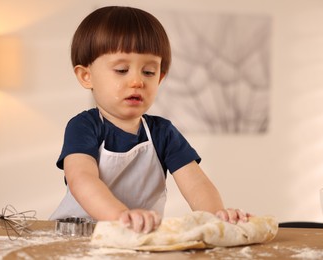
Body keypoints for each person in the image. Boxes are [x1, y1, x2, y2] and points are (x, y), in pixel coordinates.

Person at [50, 6, 251, 233]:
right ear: (86, 76)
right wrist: (121, 217)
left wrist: (216, 216)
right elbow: (82, 180)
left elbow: (196, 184)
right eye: (122, 69)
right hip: (77, 239)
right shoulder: (84, 127)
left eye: (148, 72)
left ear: (160, 77)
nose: (137, 81)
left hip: (137, 239)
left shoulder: (162, 133)